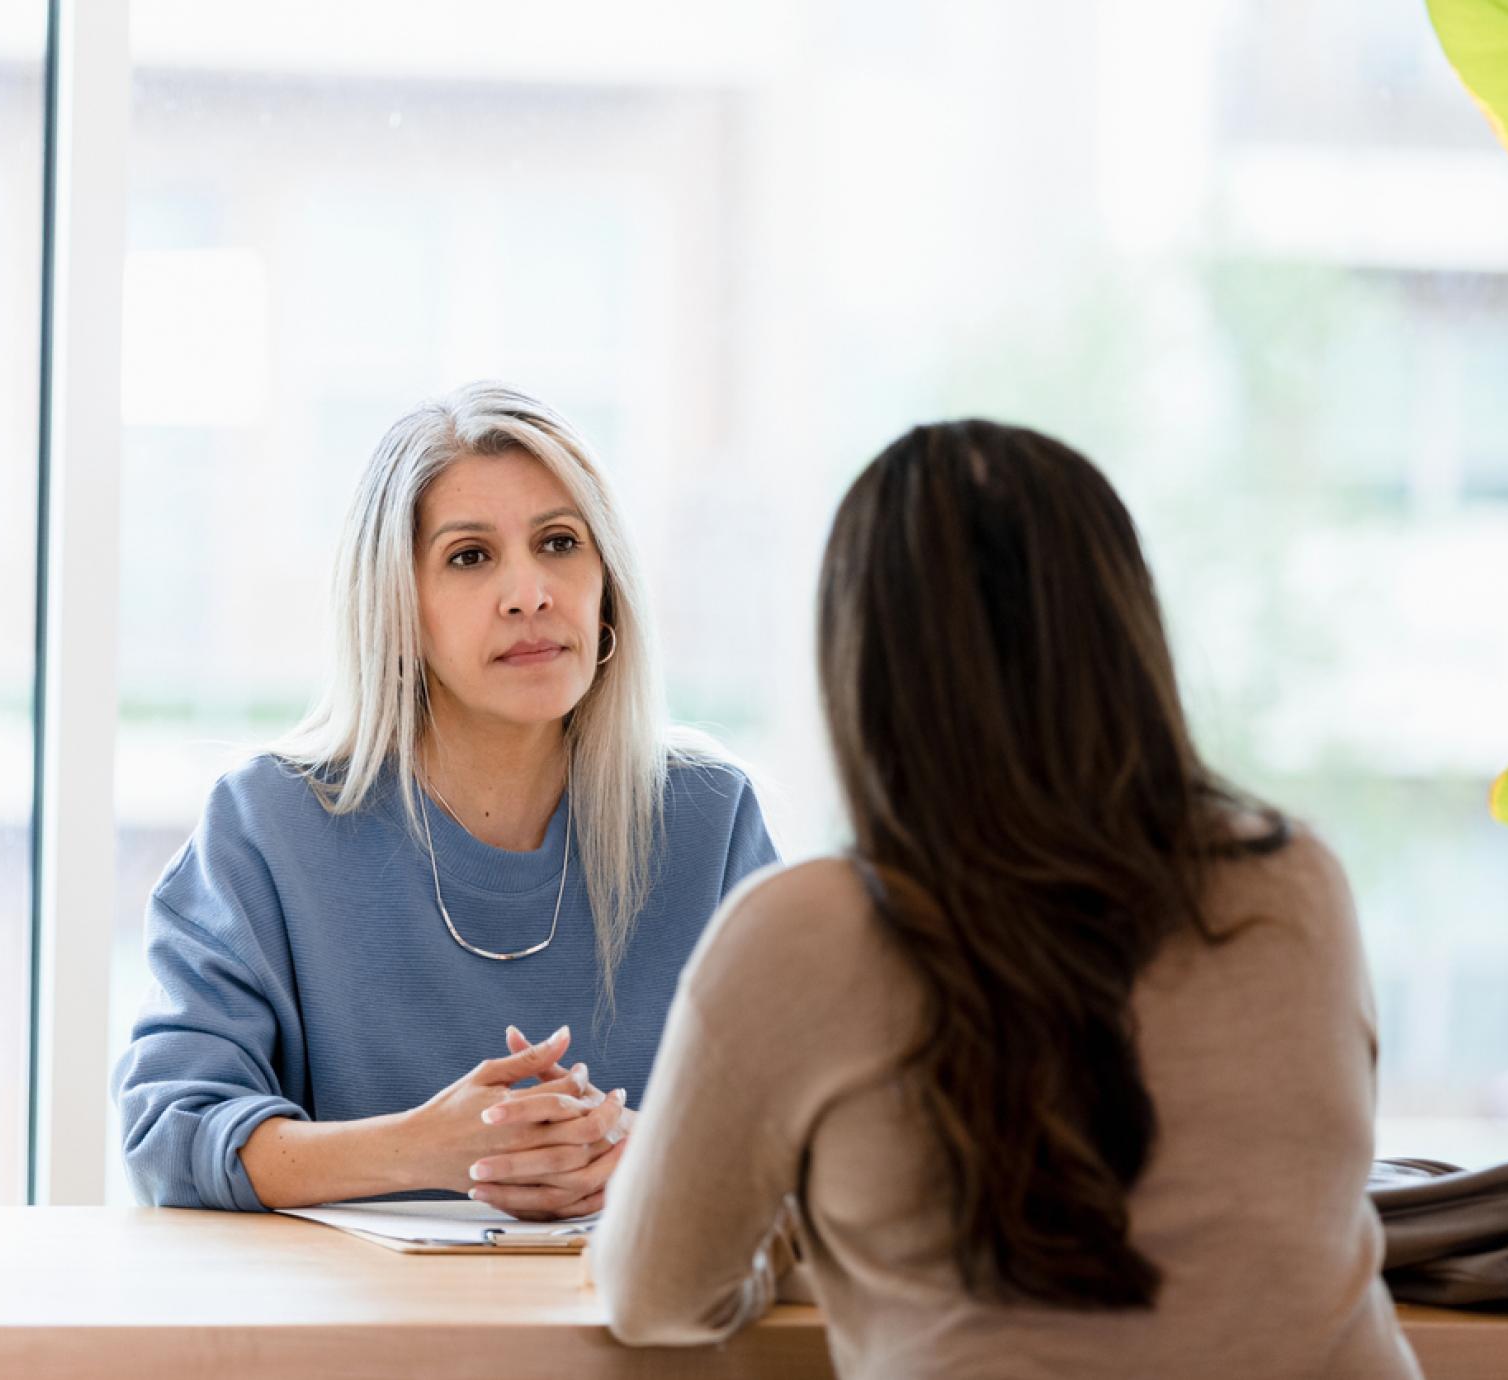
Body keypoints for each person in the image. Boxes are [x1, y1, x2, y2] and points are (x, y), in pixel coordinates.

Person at [591, 420, 1421, 1377]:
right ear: (1126, 633)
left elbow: (654, 1297)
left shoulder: (809, 933)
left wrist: (797, 1232)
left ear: (865, 663)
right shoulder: (1296, 882)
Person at [113, 381, 777, 1218]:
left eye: (561, 543)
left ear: (607, 584)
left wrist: (645, 1152)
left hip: (641, 1334)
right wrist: (428, 1147)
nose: (530, 592)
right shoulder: (267, 827)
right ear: (397, 608)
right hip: (358, 1342)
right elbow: (171, 1131)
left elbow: (825, 1127)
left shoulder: (709, 819)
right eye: (470, 557)